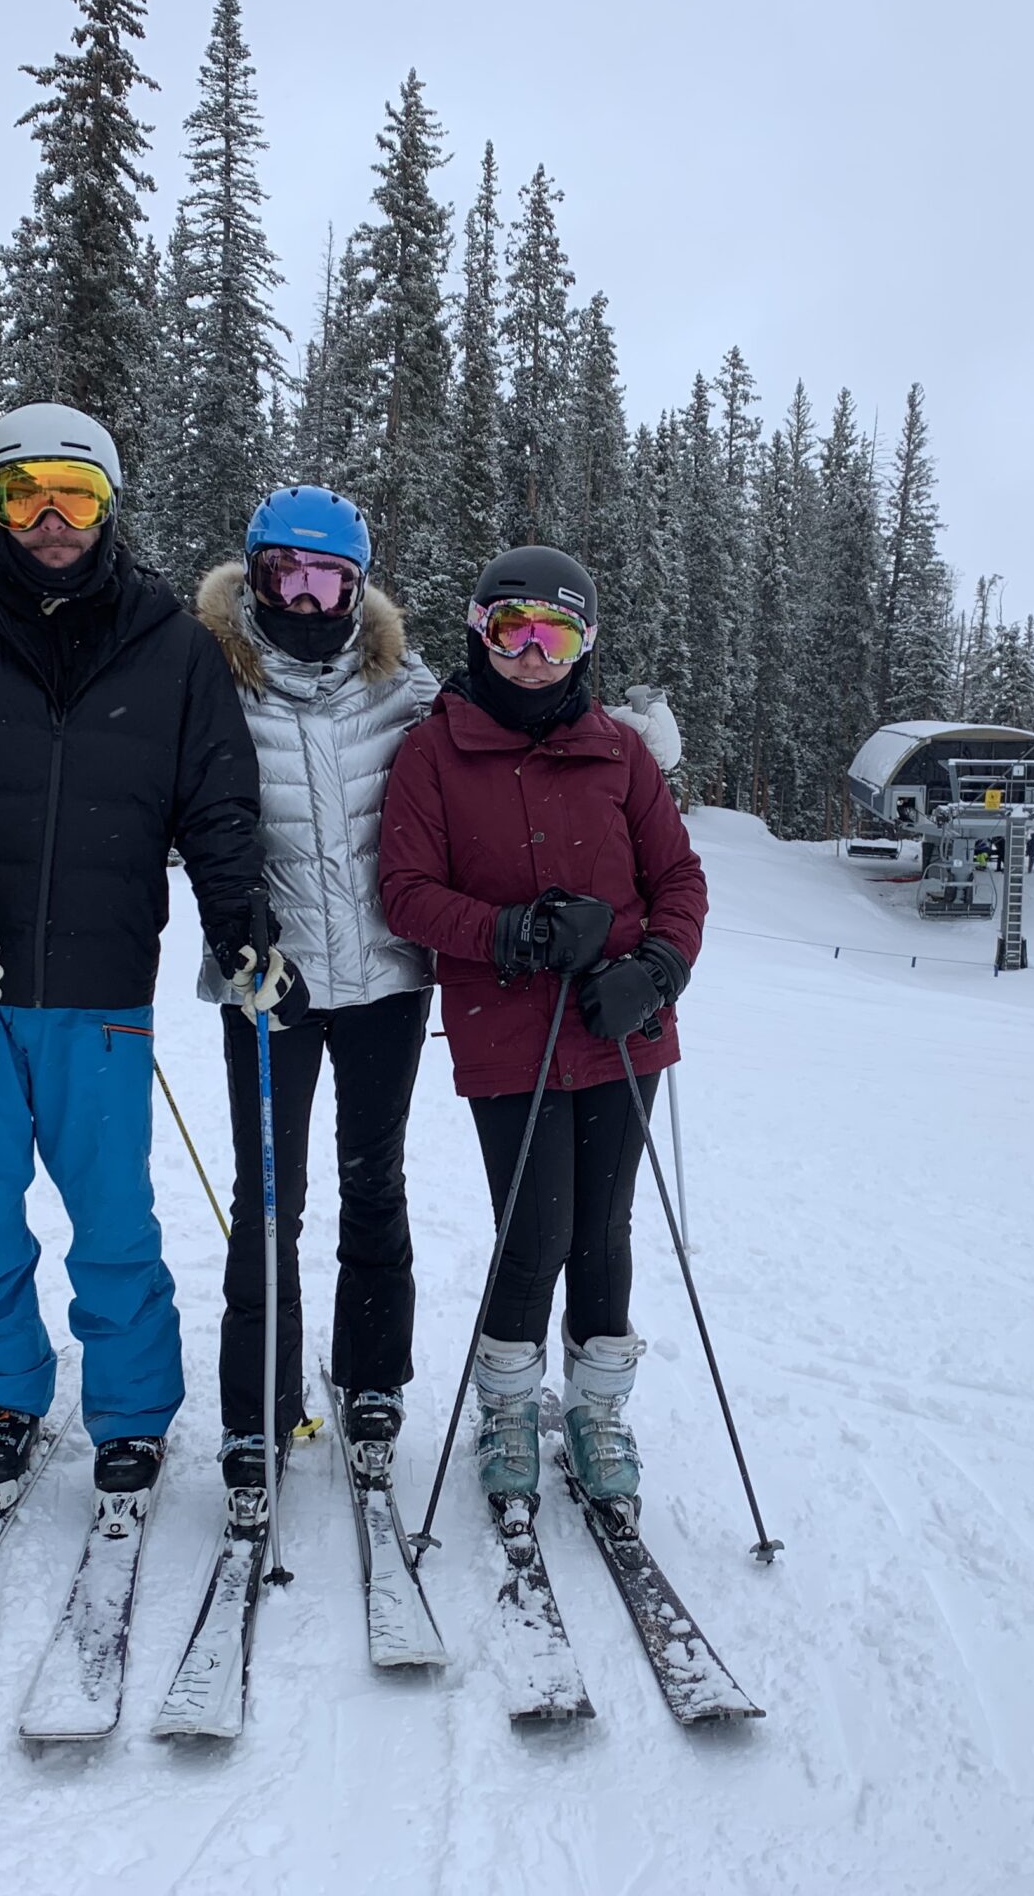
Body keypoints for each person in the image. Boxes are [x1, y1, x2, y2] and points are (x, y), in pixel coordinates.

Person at [0, 403, 265, 1507]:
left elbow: (218, 808)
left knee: (113, 1219)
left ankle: (131, 1412)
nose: (50, 519)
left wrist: (240, 923)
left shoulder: (173, 648)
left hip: (98, 984)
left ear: (108, 506)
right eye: (25, 493)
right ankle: (5, 1395)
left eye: (74, 495)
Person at [380, 545, 708, 1513]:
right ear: (479, 633)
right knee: (534, 1231)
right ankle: (509, 1408)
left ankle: (597, 1409)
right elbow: (404, 894)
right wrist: (509, 933)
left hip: (619, 1021)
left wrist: (656, 972)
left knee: (604, 1231)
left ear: (584, 645)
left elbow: (679, 880)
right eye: (511, 630)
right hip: (505, 1021)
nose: (532, 654)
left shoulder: (620, 751)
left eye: (555, 634)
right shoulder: (433, 752)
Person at [191, 485, 437, 1493]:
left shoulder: (406, 687)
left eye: (326, 575)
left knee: (373, 1183)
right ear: (254, 576)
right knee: (269, 1198)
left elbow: (501, 755)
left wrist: (626, 752)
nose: (304, 595)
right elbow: (167, 800)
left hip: (384, 977)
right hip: (269, 980)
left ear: (355, 584)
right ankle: (258, 1401)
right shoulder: (209, 681)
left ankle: (372, 1377)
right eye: (284, 573)